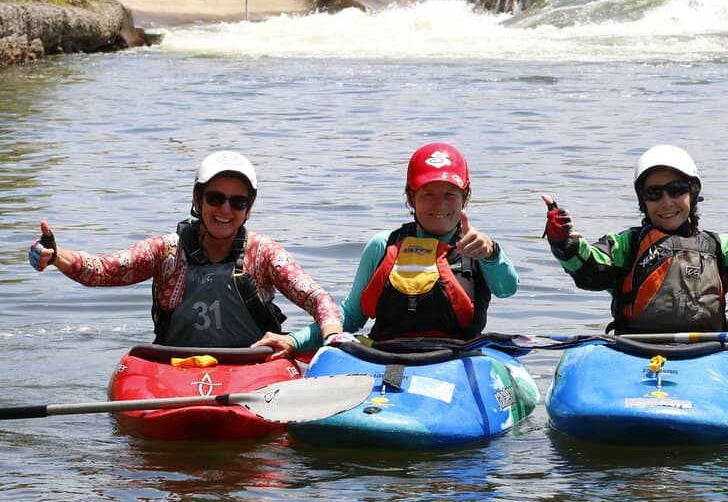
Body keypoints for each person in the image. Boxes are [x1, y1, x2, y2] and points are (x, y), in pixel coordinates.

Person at [27, 150, 343, 347]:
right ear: (197, 199)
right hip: (174, 367)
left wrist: (331, 337)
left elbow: (318, 299)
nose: (225, 210)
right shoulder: (166, 251)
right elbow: (103, 271)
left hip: (252, 367)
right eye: (215, 198)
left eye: (238, 202)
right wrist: (56, 256)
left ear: (249, 207)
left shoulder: (264, 253)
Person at [255, 142, 517, 358]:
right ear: (410, 197)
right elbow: (351, 316)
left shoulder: (479, 246)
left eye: (450, 194)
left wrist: (492, 254)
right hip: (385, 357)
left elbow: (507, 288)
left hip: (458, 358)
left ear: (466, 196)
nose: (440, 205)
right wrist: (294, 341)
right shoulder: (383, 245)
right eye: (428, 194)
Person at [542, 144, 728, 334]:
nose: (666, 202)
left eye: (676, 190)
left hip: (706, 354)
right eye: (654, 193)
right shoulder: (626, 245)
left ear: (693, 192)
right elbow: (590, 271)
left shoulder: (721, 248)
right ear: (643, 201)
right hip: (633, 351)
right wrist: (565, 244)